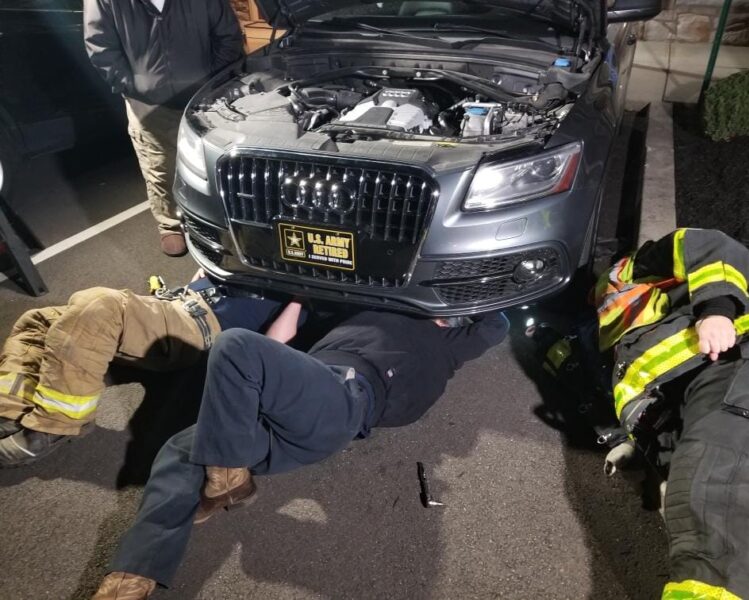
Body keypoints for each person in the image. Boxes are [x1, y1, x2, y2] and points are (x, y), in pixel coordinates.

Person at [89, 306, 509, 598]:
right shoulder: (361, 307)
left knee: (236, 346)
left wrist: (454, 295)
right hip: (286, 402)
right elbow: (277, 340)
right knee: (182, 451)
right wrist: (299, 295)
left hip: (344, 400)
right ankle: (131, 579)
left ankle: (230, 476)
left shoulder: (453, 344)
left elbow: (499, 322)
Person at [592, 228, 749, 600]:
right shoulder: (619, 345)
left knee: (715, 572)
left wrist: (715, 311)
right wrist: (636, 444)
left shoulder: (627, 273)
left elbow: (711, 244)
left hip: (744, 379)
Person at [0, 273, 299, 466]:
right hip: (176, 304)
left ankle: (51, 426)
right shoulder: (244, 251)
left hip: (199, 328)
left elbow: (275, 342)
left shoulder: (301, 286)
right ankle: (10, 410)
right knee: (39, 320)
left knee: (101, 307)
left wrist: (301, 294)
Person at [83, 0, 243, 256]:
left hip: (203, 98)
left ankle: (220, 225)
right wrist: (135, 86)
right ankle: (169, 225)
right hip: (148, 104)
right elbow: (100, 47)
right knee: (159, 165)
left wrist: (213, 79)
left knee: (212, 164)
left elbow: (228, 35)